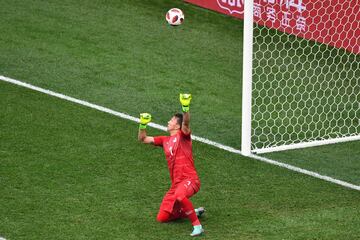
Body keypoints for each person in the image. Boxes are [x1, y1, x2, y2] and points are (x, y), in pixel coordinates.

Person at [138, 94, 205, 237]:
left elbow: (186, 123)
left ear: (177, 125)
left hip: (190, 179)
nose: (168, 122)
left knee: (180, 196)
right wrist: (143, 124)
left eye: (171, 120)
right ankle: (193, 212)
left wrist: (185, 108)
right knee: (162, 218)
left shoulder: (183, 135)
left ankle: (197, 226)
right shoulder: (164, 140)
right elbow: (143, 139)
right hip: (176, 184)